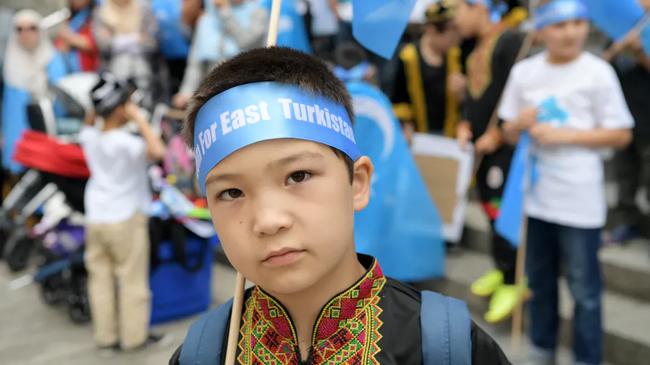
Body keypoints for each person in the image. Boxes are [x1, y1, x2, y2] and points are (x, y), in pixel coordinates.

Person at [168, 47, 510, 365]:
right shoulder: (204, 353)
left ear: (358, 183)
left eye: (298, 175)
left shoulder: (446, 346)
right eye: (231, 193)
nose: (268, 221)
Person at [499, 1, 633, 364]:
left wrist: (566, 136)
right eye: (560, 25)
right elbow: (507, 132)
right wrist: (516, 125)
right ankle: (541, 348)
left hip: (579, 198)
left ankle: (587, 357)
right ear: (541, 30)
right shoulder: (524, 72)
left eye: (578, 22)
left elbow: (621, 134)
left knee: (584, 289)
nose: (571, 32)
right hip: (534, 196)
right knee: (540, 282)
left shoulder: (598, 71)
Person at [80, 72, 167, 357]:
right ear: (120, 108)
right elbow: (158, 151)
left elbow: (91, 118)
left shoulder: (89, 135)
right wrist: (139, 119)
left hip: (96, 217)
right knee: (132, 280)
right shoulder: (126, 144)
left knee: (100, 280)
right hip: (125, 218)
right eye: (128, 102)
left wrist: (105, 105)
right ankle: (134, 339)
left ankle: (105, 339)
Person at [453, 0, 526, 324]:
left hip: (504, 147)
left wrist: (497, 135)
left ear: (477, 7)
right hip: (481, 147)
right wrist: (466, 122)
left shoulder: (511, 41)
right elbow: (475, 98)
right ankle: (502, 267)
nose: (455, 18)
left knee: (502, 212)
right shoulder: (475, 47)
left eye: (459, 9)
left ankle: (515, 278)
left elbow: (518, 92)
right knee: (489, 210)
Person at [605, 1, 650, 245]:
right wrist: (616, 49)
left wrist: (640, 53)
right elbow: (601, 64)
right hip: (623, 115)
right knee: (624, 172)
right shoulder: (619, 27)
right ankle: (626, 222)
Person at [2, 9, 67, 174]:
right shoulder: (8, 65)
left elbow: (63, 100)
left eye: (32, 28)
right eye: (19, 29)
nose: (25, 34)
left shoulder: (53, 60)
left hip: (49, 134)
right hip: (15, 138)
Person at [390, 0, 465, 140]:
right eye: (449, 35)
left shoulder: (456, 55)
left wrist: (463, 91)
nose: (454, 40)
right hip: (419, 135)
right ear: (431, 30)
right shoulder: (408, 56)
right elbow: (399, 97)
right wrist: (406, 124)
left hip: (451, 135)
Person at [172, 0, 267, 109]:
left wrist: (225, 13)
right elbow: (196, 62)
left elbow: (246, 41)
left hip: (244, 90)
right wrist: (186, 91)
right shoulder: (207, 19)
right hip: (212, 92)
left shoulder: (258, 12)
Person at [93, 0, 158, 107]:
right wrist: (135, 39)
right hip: (112, 71)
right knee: (122, 64)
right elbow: (103, 44)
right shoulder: (102, 12)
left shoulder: (143, 9)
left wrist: (117, 40)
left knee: (142, 76)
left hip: (144, 69)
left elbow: (152, 42)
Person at [55, 0, 99, 73]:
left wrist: (69, 38)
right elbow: (60, 45)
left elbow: (94, 43)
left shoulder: (97, 14)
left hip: (91, 69)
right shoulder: (70, 18)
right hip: (71, 71)